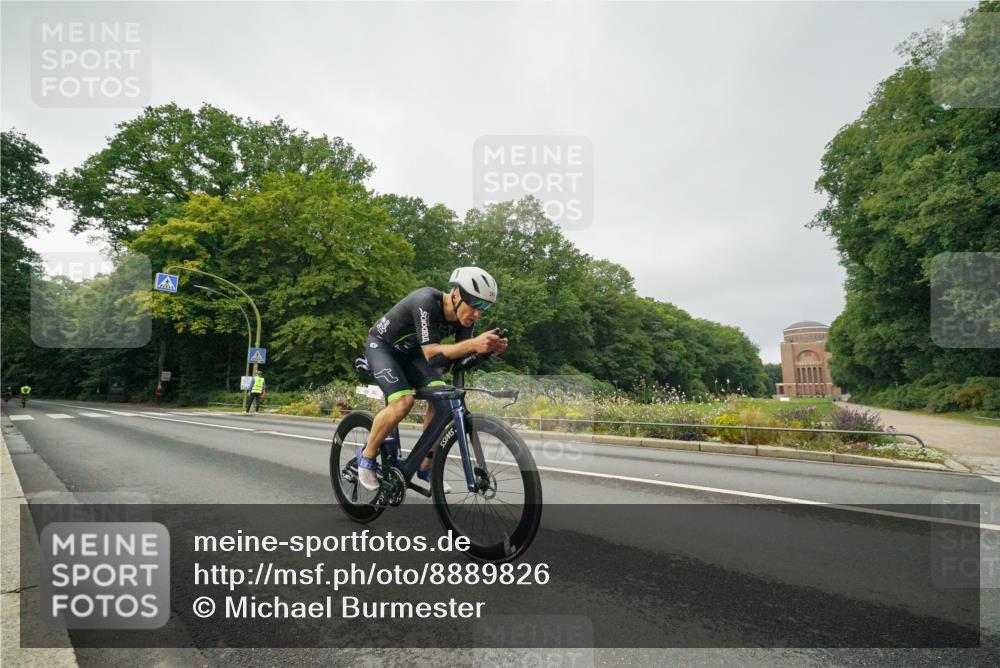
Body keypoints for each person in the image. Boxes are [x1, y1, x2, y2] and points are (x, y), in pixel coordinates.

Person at [358, 267, 507, 491]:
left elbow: (457, 356)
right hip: (383, 347)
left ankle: (425, 466)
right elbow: (431, 354)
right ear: (456, 295)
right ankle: (366, 458)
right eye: (475, 304)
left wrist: (487, 351)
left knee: (444, 401)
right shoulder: (426, 301)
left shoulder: (464, 319)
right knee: (402, 402)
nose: (478, 313)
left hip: (412, 355)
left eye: (484, 307)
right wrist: (475, 344)